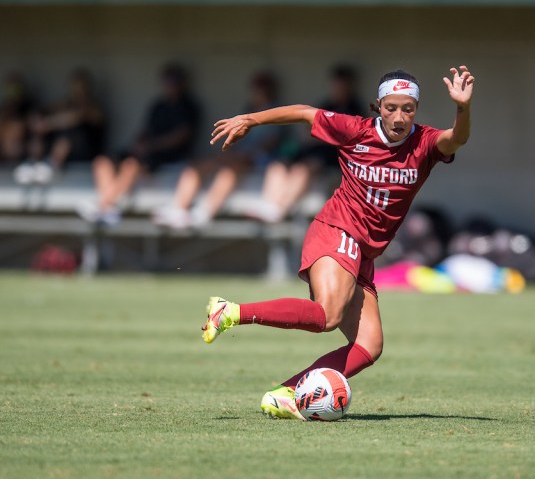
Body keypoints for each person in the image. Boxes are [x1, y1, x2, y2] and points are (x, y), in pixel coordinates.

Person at [201, 66, 474, 419]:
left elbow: (457, 139)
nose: (399, 116)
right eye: (391, 107)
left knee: (368, 346)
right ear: (378, 105)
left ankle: (286, 392)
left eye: (408, 108)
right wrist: (250, 120)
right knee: (327, 316)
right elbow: (304, 112)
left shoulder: (424, 142)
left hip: (364, 253)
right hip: (337, 231)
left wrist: (463, 107)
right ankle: (230, 312)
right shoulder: (356, 130)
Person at [152, 71, 294, 229]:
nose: (258, 93)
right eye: (256, 89)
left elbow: (270, 143)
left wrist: (242, 155)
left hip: (261, 161)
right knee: (198, 166)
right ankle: (179, 208)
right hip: (237, 156)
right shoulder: (248, 110)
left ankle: (204, 212)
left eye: (262, 89)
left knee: (229, 172)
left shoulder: (276, 111)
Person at [78, 63, 200, 225]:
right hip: (145, 151)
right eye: (167, 81)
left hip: (167, 156)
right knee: (102, 162)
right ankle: (108, 207)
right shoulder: (158, 105)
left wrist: (151, 145)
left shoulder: (187, 106)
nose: (169, 86)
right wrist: (139, 144)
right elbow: (145, 131)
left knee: (131, 165)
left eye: (173, 81)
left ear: (182, 83)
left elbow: (181, 136)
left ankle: (104, 206)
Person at [247, 64, 364, 223]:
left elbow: (351, 138)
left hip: (332, 157)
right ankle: (269, 205)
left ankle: (279, 210)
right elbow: (308, 132)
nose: (337, 89)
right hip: (310, 151)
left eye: (341, 86)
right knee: (277, 166)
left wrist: (326, 135)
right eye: (335, 85)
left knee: (303, 170)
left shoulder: (354, 108)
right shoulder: (326, 105)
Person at [14, 68, 105, 184]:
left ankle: (52, 165)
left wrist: (48, 124)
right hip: (65, 153)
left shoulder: (94, 107)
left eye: (81, 88)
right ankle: (32, 163)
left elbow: (76, 117)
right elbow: (47, 109)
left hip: (87, 154)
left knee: (68, 135)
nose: (78, 92)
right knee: (41, 131)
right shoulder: (66, 103)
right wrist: (37, 117)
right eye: (75, 87)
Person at [0, 72, 35, 166]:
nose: (13, 93)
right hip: (5, 155)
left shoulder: (28, 107)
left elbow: (36, 125)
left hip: (24, 152)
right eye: (10, 89)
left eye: (16, 88)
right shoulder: (5, 108)